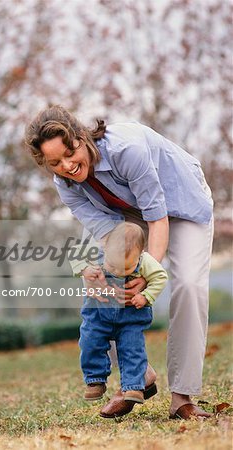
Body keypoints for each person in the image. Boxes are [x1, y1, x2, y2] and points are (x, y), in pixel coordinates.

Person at [25, 105, 214, 420]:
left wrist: (147, 272)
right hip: (125, 218)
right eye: (55, 162)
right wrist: (107, 275)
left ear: (81, 136)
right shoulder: (65, 185)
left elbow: (157, 216)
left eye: (70, 153)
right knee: (99, 283)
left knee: (190, 286)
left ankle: (182, 398)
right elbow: (107, 234)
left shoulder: (127, 149)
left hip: (181, 204)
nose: (68, 166)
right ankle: (138, 375)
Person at [69, 222, 168, 414]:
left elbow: (160, 277)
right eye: (113, 266)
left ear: (140, 254)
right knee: (90, 342)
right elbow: (73, 252)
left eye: (128, 268)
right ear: (105, 248)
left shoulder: (146, 262)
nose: (119, 272)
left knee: (132, 350)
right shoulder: (96, 251)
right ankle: (95, 380)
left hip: (130, 318)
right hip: (98, 314)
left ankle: (133, 387)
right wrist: (84, 270)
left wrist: (146, 296)